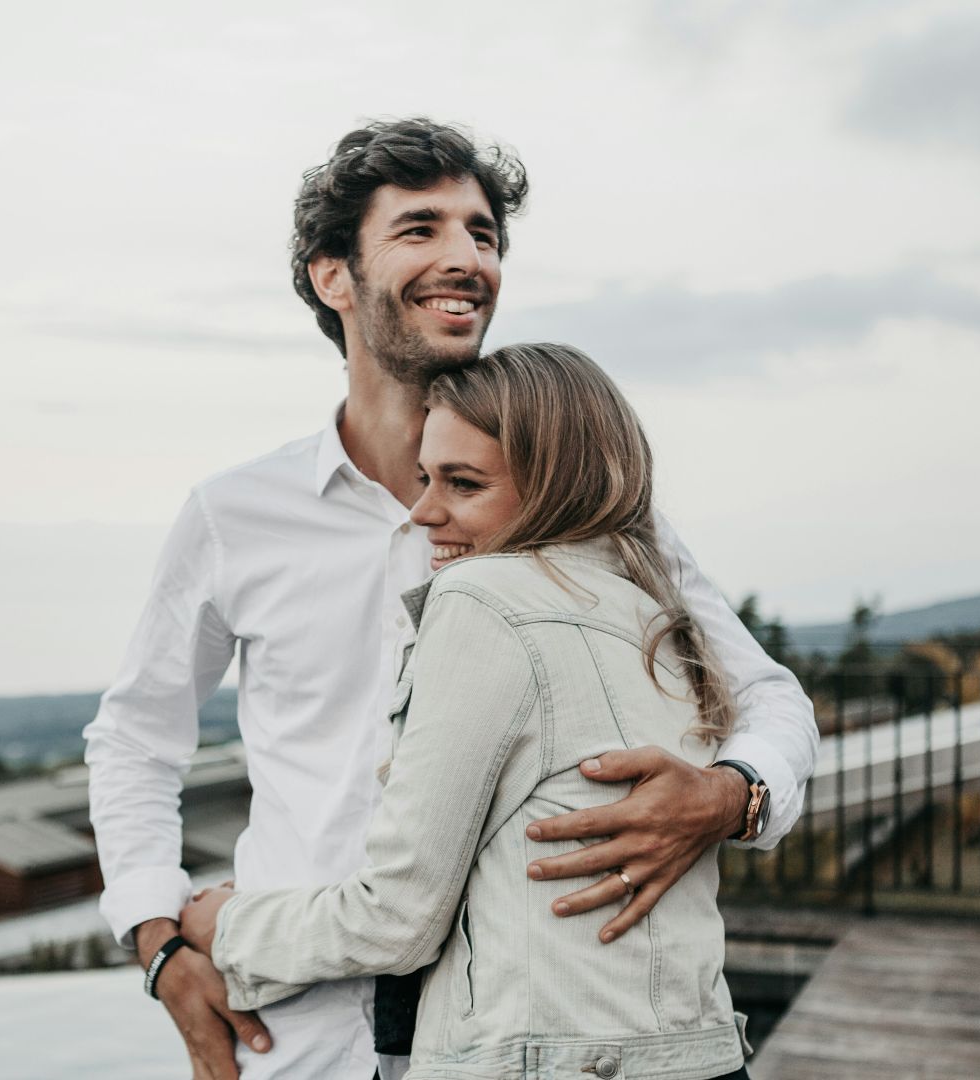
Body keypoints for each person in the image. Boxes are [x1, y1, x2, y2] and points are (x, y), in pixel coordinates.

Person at [83, 118, 816, 1080]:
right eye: (421, 229)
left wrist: (731, 796)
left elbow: (769, 696)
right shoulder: (233, 515)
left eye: (483, 234)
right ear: (332, 276)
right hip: (299, 1027)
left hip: (516, 1032)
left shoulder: (585, 509)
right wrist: (158, 941)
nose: (466, 258)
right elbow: (136, 736)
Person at [179, 342, 755, 1080]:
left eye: (463, 483)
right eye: (425, 477)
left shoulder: (481, 600)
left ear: (556, 485)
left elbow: (398, 918)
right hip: (698, 1054)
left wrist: (224, 926)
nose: (423, 512)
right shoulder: (658, 616)